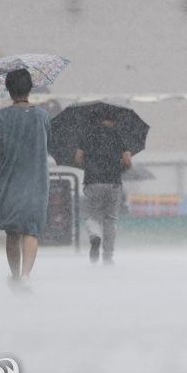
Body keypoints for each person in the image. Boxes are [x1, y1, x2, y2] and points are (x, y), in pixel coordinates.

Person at [0, 68, 50, 292]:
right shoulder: (41, 116)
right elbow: (46, 142)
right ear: (30, 88)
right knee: (31, 229)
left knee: (13, 230)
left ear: (8, 90)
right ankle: (25, 276)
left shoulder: (1, 117)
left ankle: (14, 275)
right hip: (36, 179)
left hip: (10, 179)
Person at [75, 110, 132, 264]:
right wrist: (118, 167)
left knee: (91, 216)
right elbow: (127, 162)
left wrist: (90, 165)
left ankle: (95, 236)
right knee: (111, 220)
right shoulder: (118, 135)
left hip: (92, 181)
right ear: (114, 120)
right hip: (113, 182)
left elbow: (78, 158)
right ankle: (108, 256)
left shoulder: (87, 135)